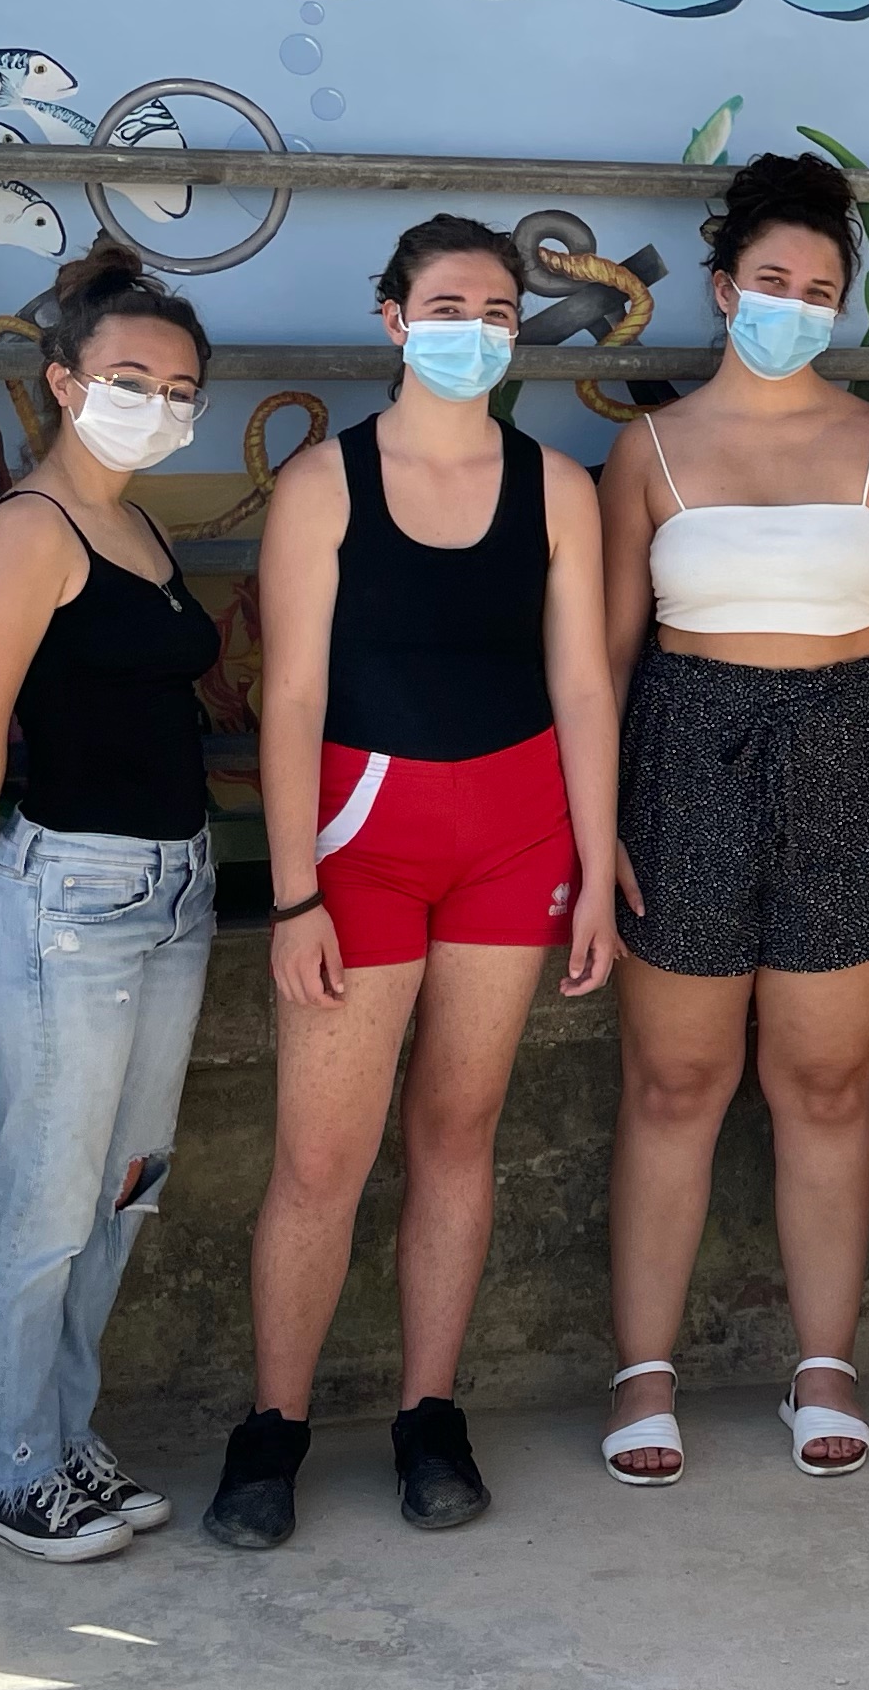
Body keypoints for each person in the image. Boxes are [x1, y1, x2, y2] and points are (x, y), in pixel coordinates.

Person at [207, 213, 620, 1551]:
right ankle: (271, 1429)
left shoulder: (557, 487)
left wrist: (596, 871)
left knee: (458, 1131)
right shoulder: (325, 483)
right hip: (361, 844)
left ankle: (429, 1414)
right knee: (321, 1157)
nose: (475, 330)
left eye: (498, 311)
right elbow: (290, 696)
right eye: (448, 307)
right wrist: (293, 894)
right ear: (393, 320)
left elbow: (583, 686)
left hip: (517, 840)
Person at [594, 152, 869, 1483]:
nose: (794, 305)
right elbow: (607, 659)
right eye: (771, 281)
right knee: (673, 1081)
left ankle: (826, 1361)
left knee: (826, 1081)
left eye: (818, 289)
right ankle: (644, 1372)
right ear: (721, 287)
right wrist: (597, 822)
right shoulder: (645, 450)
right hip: (681, 759)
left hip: (855, 759)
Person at [0, 248, 224, 1562]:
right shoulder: (31, 529)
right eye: (128, 378)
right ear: (63, 380)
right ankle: (3, 1468)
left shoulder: (137, 526)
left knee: (120, 1187)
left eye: (180, 386)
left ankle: (60, 1438)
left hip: (175, 890)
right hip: (69, 898)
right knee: (46, 1196)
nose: (157, 403)